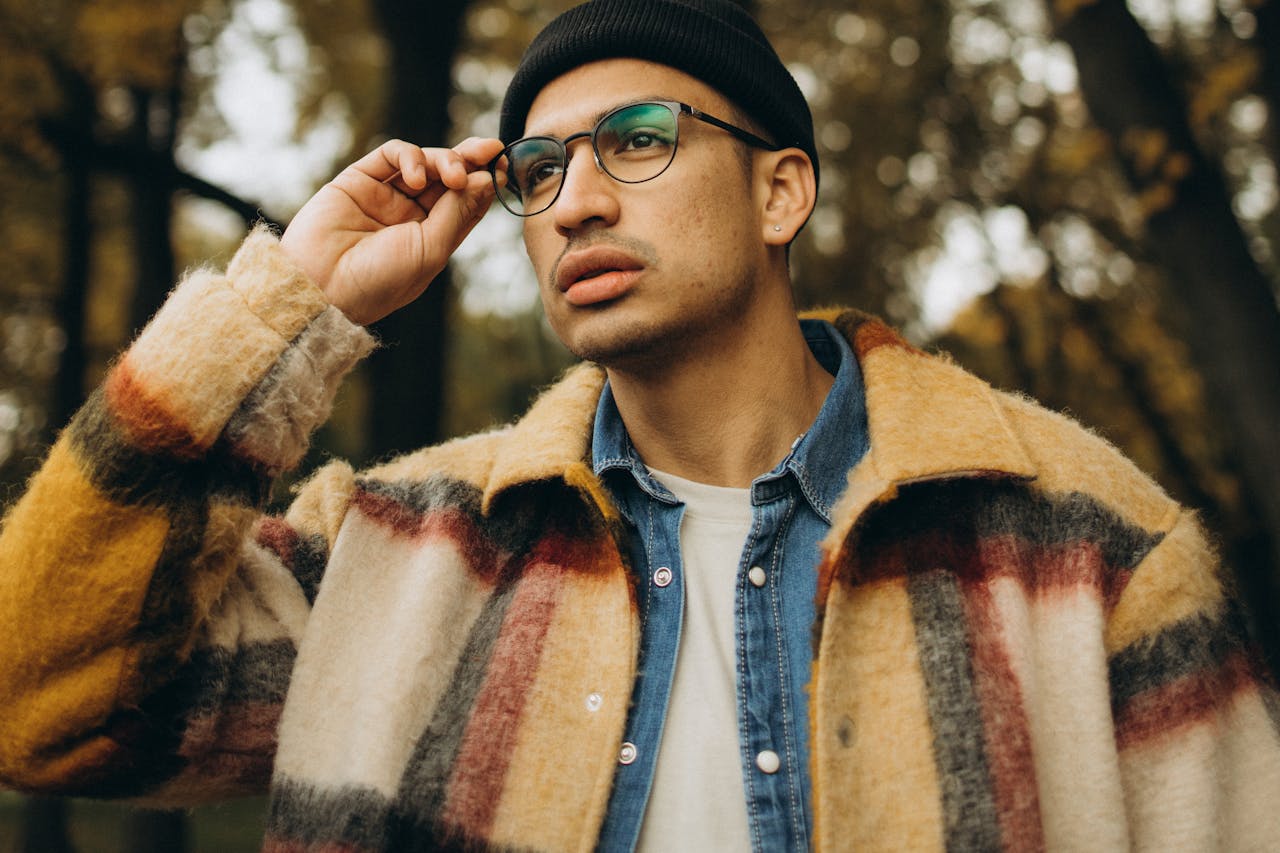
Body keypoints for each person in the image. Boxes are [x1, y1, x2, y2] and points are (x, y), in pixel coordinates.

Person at [1, 0, 1278, 850]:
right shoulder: (395, 552)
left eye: (638, 142)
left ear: (781, 190)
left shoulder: (1090, 549)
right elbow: (32, 703)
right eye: (540, 171)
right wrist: (288, 305)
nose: (573, 203)